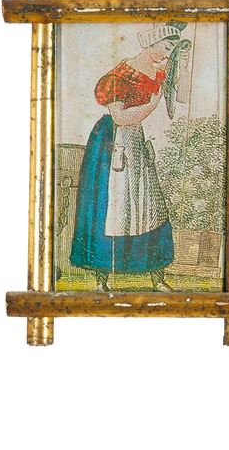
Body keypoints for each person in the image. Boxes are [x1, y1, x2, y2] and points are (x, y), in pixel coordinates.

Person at [70, 23, 190, 291]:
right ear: (151, 43)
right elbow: (121, 118)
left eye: (172, 51)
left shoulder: (159, 71)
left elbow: (180, 100)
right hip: (112, 142)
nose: (167, 55)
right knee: (112, 208)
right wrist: (152, 104)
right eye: (166, 48)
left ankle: (156, 277)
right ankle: (102, 280)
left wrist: (180, 66)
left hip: (137, 141)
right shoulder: (120, 76)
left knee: (149, 206)